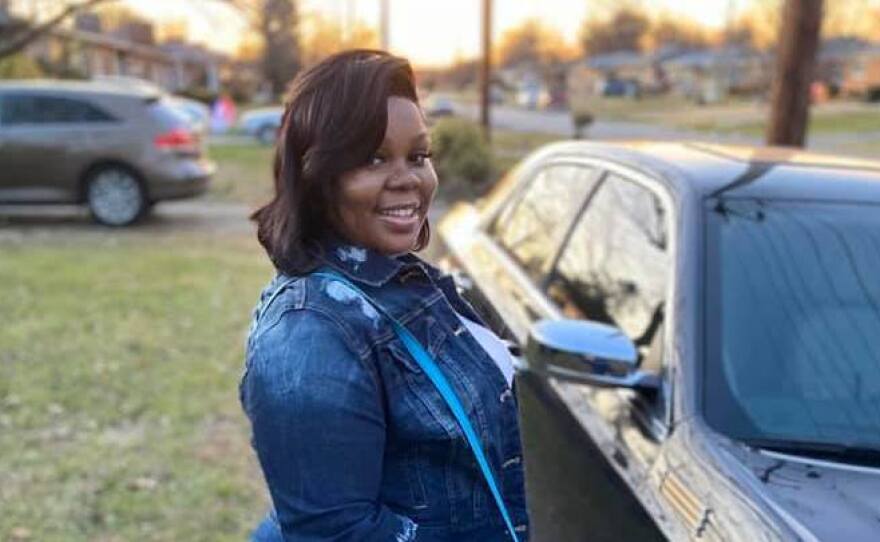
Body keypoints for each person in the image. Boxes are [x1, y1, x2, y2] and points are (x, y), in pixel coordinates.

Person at [241, 49, 529, 541]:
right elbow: (335, 533)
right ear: (318, 174)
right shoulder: (308, 331)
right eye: (373, 158)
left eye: (418, 156)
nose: (409, 179)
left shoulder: (396, 279)